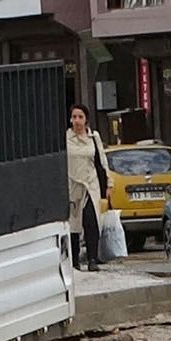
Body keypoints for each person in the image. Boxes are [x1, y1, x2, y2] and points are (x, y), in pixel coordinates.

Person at [64, 103, 109, 272]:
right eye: (74, 117)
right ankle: (74, 260)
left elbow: (102, 162)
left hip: (91, 185)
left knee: (91, 221)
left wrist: (108, 185)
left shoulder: (93, 137)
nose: (77, 121)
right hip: (72, 185)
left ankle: (92, 258)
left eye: (80, 117)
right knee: (74, 224)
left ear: (86, 120)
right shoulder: (66, 138)